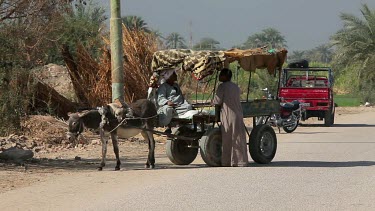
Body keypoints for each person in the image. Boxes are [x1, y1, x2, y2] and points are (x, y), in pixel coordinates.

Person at [212, 68, 249, 167]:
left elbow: (217, 102)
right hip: (238, 114)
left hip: (228, 115)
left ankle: (227, 161)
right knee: (238, 138)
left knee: (227, 138)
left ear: (225, 76)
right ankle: (240, 161)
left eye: (221, 75)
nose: (219, 76)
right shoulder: (235, 86)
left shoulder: (222, 87)